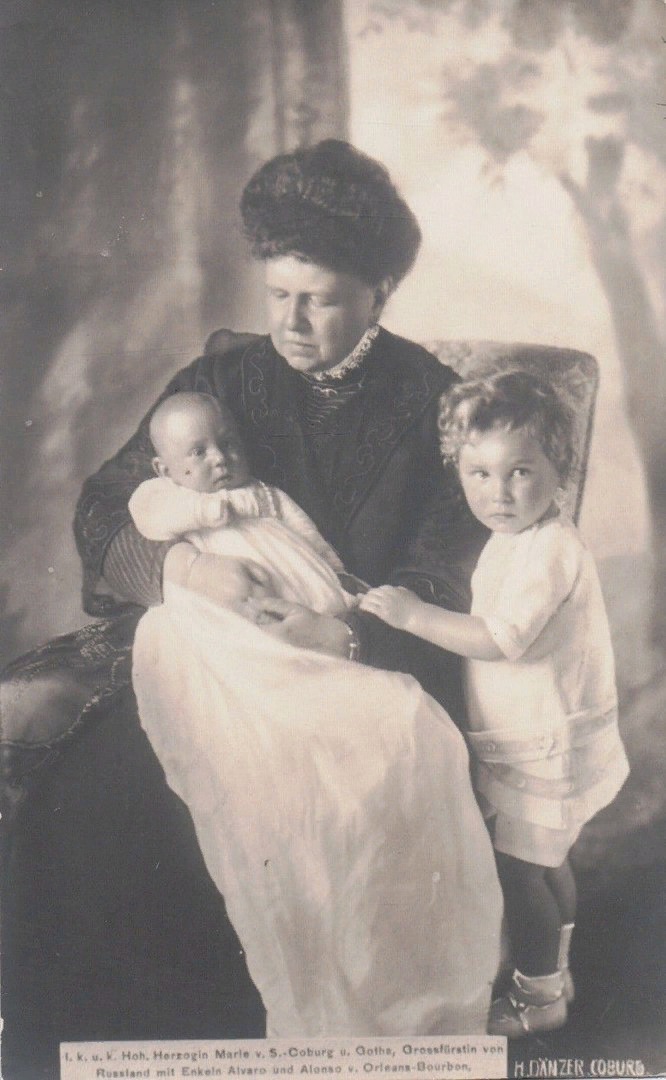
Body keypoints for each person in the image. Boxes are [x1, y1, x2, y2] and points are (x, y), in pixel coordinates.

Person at [3, 139, 495, 1053]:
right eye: (278, 295)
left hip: (359, 665)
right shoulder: (224, 377)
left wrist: (343, 634)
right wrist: (182, 572)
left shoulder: (435, 404)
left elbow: (449, 569)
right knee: (109, 799)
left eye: (321, 299)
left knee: (347, 806)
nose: (293, 323)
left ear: (380, 291)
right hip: (215, 653)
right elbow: (107, 504)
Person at [360, 369, 630, 1038]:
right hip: (534, 734)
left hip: (541, 744)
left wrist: (414, 616)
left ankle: (539, 998)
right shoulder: (518, 538)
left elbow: (500, 640)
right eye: (478, 473)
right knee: (547, 862)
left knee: (521, 872)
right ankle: (556, 970)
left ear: (560, 469)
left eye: (520, 472)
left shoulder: (550, 551)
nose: (498, 492)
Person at [129, 391, 354, 619]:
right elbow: (147, 514)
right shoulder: (170, 495)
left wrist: (335, 569)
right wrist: (203, 511)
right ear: (165, 470)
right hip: (221, 589)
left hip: (292, 579)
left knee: (323, 606)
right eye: (198, 452)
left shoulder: (264, 493)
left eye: (227, 444)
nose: (219, 458)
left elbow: (306, 532)